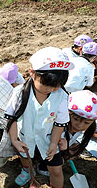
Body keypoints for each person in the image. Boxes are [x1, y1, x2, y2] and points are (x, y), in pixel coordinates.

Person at [6, 47, 74, 188]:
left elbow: (59, 124)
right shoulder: (19, 93)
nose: (50, 90)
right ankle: (27, 171)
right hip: (25, 137)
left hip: (49, 138)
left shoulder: (62, 96)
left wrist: (54, 143)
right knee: (25, 157)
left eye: (56, 86)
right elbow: (11, 117)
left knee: (56, 170)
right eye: (46, 85)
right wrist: (14, 140)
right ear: (32, 73)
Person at [37, 90, 97, 177]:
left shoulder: (84, 129)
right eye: (76, 119)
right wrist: (62, 149)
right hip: (45, 150)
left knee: (74, 148)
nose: (80, 125)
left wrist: (67, 149)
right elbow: (45, 143)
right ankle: (43, 166)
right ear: (67, 113)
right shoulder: (56, 126)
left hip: (64, 146)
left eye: (87, 123)